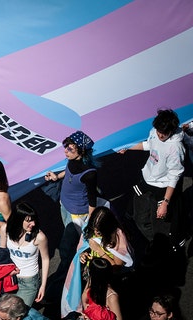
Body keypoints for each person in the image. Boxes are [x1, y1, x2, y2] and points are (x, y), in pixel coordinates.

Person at [119, 109, 186, 249]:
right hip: (147, 180)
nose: (160, 135)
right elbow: (149, 145)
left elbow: (174, 175)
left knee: (160, 225)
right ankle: (155, 244)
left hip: (162, 188)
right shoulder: (155, 132)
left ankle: (165, 246)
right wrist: (128, 148)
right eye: (158, 131)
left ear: (172, 131)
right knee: (139, 218)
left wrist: (165, 203)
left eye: (164, 133)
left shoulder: (175, 148)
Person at [45, 131, 97, 301]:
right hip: (65, 207)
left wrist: (90, 224)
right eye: (66, 147)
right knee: (70, 241)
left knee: (67, 250)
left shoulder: (89, 173)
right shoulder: (71, 161)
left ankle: (64, 281)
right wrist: (56, 176)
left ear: (81, 151)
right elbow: (67, 172)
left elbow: (92, 200)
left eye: (70, 149)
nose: (65, 151)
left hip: (78, 215)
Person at [61, 206, 132, 317]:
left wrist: (99, 250)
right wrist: (83, 255)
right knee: (88, 300)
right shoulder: (90, 229)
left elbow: (117, 266)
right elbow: (83, 247)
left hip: (107, 278)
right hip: (92, 274)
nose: (95, 232)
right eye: (94, 228)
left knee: (105, 306)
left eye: (99, 230)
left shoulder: (118, 237)